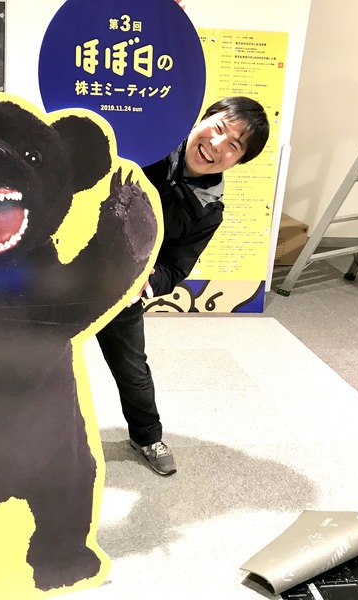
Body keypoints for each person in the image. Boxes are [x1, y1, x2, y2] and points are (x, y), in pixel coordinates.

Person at [96, 96, 270, 476]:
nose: (217, 145)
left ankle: (147, 436)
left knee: (132, 368)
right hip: (70, 265)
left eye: (234, 146)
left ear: (238, 162)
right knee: (41, 354)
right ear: (202, 118)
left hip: (123, 289)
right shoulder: (146, 143)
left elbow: (175, 267)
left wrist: (147, 280)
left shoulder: (207, 210)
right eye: (218, 128)